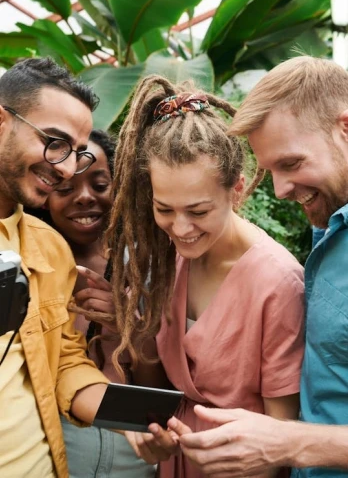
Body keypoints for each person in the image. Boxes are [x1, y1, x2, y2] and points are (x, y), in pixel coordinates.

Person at [103, 74, 305, 478]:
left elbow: (281, 435)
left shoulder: (278, 283)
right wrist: (149, 434)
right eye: (164, 209)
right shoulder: (166, 261)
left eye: (198, 211)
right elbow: (159, 387)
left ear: (237, 190)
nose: (180, 229)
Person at [175, 55, 348, 478]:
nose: (282, 189)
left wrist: (287, 441)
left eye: (291, 163)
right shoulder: (332, 221)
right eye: (270, 170)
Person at [0, 57, 112, 478]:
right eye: (55, 141)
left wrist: (128, 420)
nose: (65, 167)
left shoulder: (51, 248)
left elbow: (63, 357)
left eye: (77, 154)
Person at [43, 128, 156, 477]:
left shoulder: (146, 267)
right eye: (64, 188)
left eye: (100, 185)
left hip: (133, 457)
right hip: (54, 455)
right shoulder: (33, 268)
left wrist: (128, 330)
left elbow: (157, 389)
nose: (84, 197)